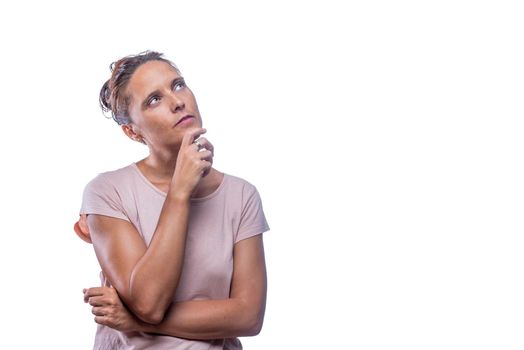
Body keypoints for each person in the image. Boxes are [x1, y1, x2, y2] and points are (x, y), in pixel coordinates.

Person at [74, 51, 270, 349]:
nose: (177, 101)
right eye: (154, 99)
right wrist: (180, 191)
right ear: (132, 131)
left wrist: (135, 321)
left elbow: (248, 316)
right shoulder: (107, 191)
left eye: (177, 85)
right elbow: (149, 302)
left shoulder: (242, 196)